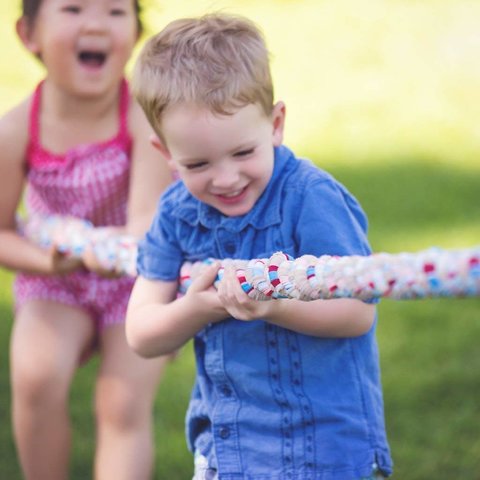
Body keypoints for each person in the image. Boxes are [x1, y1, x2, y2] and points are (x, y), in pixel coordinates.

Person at [126, 13, 393, 480]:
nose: (226, 178)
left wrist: (272, 307)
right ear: (165, 153)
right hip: (228, 449)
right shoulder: (174, 214)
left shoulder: (311, 199)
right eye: (197, 163)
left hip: (323, 446)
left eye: (243, 153)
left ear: (275, 123)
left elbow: (357, 312)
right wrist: (200, 308)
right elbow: (142, 334)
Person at [0, 1, 173, 479]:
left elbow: (144, 224)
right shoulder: (16, 129)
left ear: (136, 32)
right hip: (56, 277)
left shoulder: (143, 117)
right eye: (73, 8)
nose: (95, 23)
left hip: (138, 277)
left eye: (117, 11)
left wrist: (109, 247)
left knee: (121, 401)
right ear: (28, 33)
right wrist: (49, 261)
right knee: (35, 376)